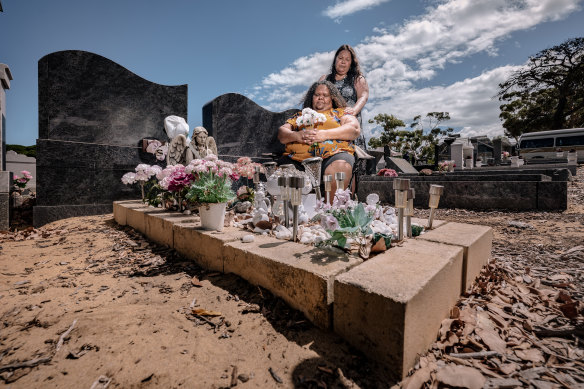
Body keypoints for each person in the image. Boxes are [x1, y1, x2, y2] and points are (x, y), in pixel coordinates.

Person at [278, 80, 361, 199]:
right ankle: (293, 214)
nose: (321, 98)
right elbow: (282, 134)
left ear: (332, 98)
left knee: (340, 167)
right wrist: (297, 135)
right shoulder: (300, 116)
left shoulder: (340, 113)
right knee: (281, 174)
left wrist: (325, 134)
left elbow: (354, 129)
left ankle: (332, 212)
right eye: (317, 95)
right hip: (297, 160)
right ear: (312, 97)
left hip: (333, 155)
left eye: (325, 95)